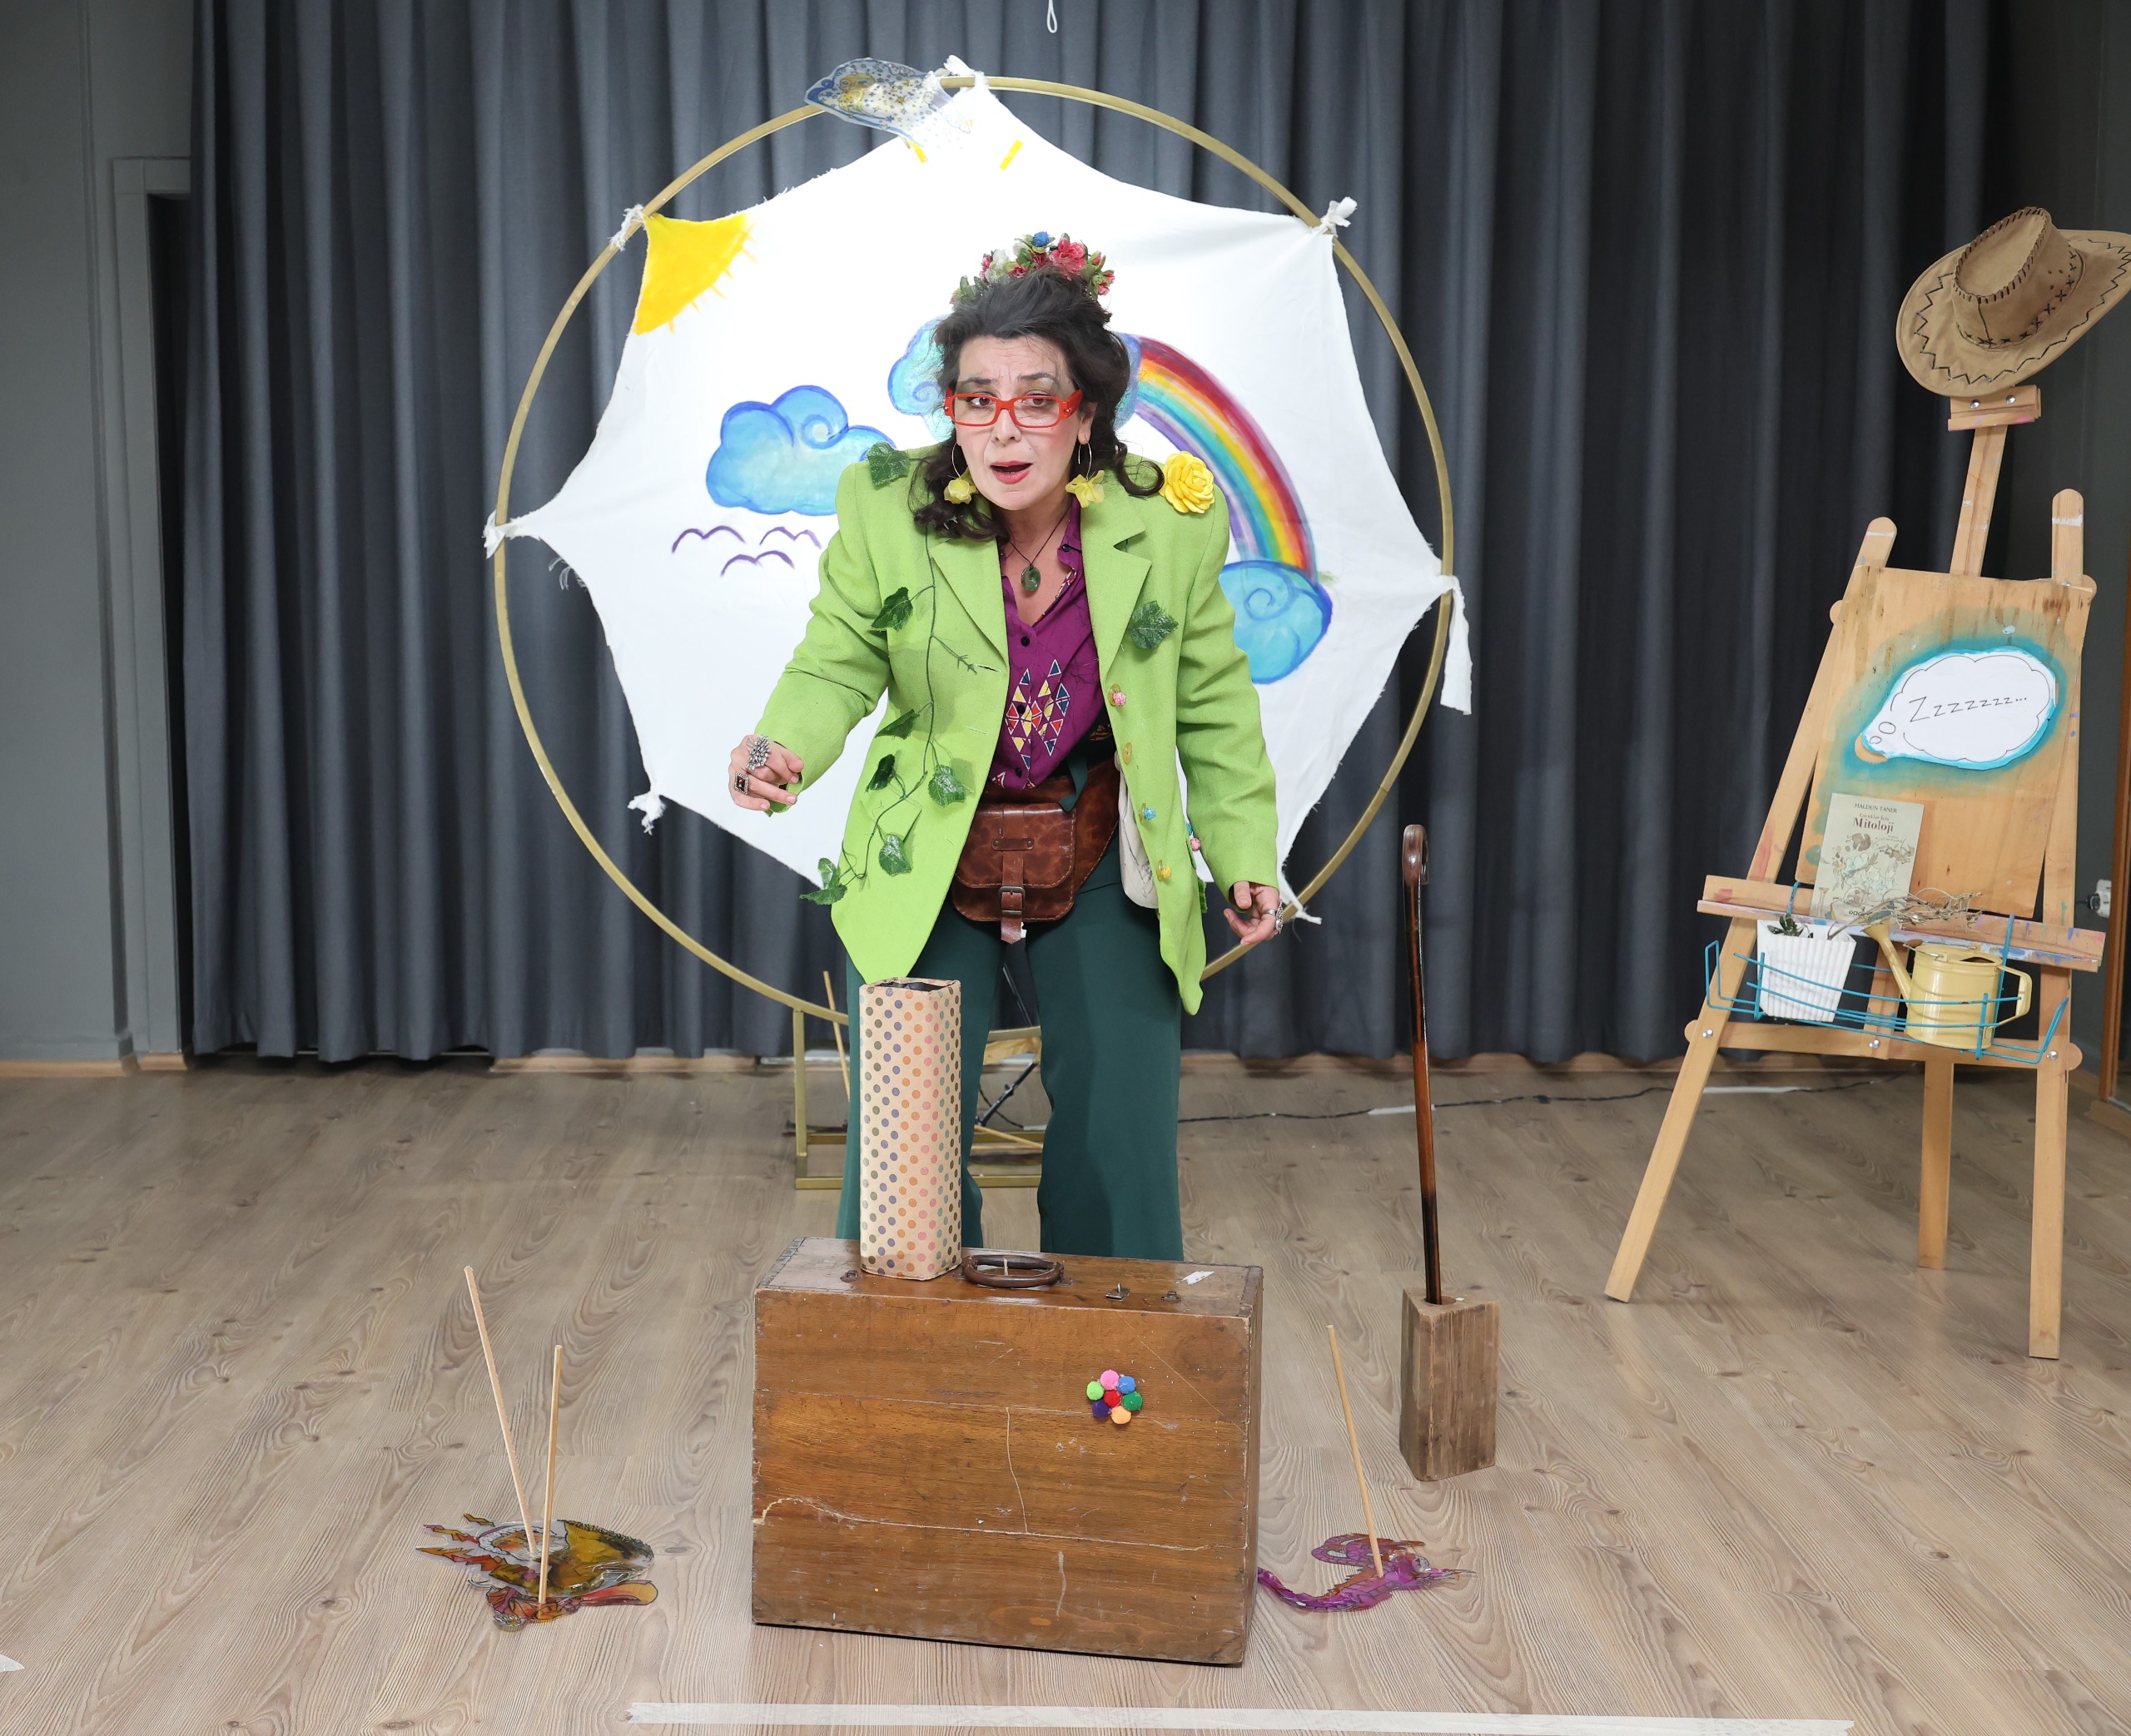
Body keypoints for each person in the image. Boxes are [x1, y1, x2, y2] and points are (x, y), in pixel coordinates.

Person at [728, 231, 1279, 1260]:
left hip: (1102, 836)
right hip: (927, 842)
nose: (1005, 428)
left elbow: (1211, 704)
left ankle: (1116, 1333)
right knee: (905, 1156)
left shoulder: (1170, 520)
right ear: (951, 409)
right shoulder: (887, 506)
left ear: (1087, 411)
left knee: (1119, 1137)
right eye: (976, 400)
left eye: (1037, 398)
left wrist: (1245, 854)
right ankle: (916, 1346)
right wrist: (783, 745)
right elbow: (836, 658)